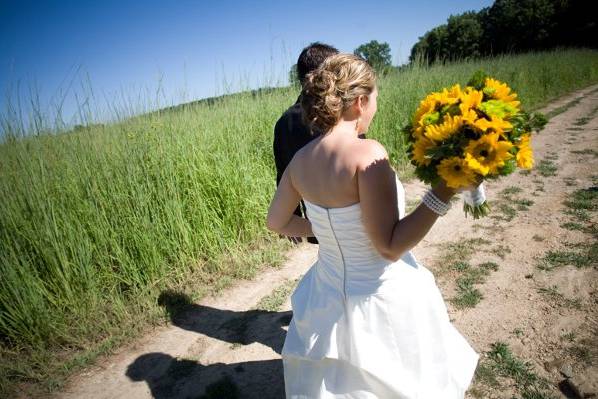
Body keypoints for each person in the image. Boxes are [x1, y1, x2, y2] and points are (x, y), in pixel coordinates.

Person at [266, 53, 480, 398]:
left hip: (327, 290)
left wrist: (325, 229)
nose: (376, 107)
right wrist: (445, 189)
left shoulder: (300, 160)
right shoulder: (367, 153)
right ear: (361, 101)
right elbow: (390, 247)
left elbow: (275, 222)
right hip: (379, 294)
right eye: (376, 98)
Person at [274, 42, 368, 245]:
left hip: (317, 220)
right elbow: (359, 155)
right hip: (357, 213)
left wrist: (293, 215)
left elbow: (283, 170)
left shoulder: (284, 122)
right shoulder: (339, 112)